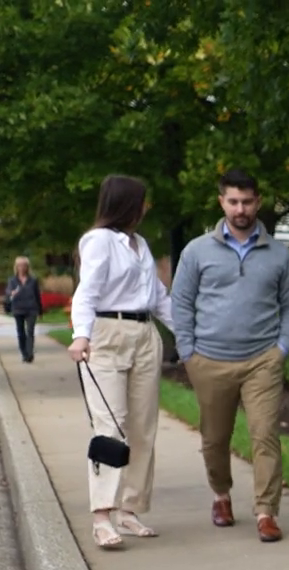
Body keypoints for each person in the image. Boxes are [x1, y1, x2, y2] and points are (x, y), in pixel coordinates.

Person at [171, 168, 289, 543]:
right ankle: (221, 495)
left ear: (258, 202)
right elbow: (180, 303)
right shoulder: (197, 251)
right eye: (233, 201)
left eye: (247, 201)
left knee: (265, 435)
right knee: (214, 439)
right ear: (222, 202)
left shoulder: (278, 254)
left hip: (262, 361)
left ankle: (266, 512)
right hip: (209, 360)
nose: (240, 209)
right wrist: (188, 352)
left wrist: (281, 348)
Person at [67, 175, 173, 550]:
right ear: (127, 204)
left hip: (144, 334)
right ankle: (102, 516)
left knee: (143, 427)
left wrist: (190, 335)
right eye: (142, 201)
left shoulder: (140, 245)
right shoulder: (99, 241)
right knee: (110, 427)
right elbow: (86, 292)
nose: (146, 208)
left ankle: (130, 509)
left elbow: (158, 298)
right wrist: (81, 334)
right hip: (107, 334)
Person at [3, 256, 43, 362]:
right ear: (16, 267)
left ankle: (29, 353)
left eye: (24, 265)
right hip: (18, 308)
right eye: (19, 265)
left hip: (31, 308)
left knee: (30, 331)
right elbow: (7, 292)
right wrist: (11, 293)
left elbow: (37, 295)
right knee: (21, 332)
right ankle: (24, 353)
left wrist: (40, 310)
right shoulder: (12, 280)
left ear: (27, 267)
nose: (22, 267)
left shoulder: (33, 280)